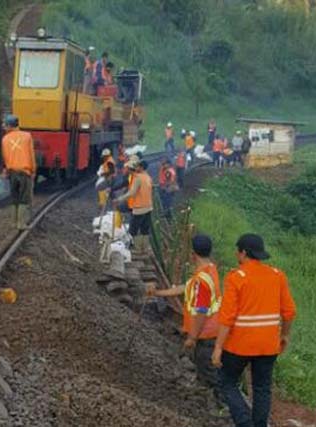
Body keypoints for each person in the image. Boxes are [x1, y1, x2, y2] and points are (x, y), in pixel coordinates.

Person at [212, 234, 297, 427]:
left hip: (238, 345)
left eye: (237, 250)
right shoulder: (277, 275)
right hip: (268, 345)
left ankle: (244, 422)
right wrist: (284, 335)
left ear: (243, 253)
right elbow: (289, 312)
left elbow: (227, 317)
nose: (236, 253)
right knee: (262, 387)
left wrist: (218, 347)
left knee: (227, 381)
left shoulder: (236, 277)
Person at [147, 234, 221, 393]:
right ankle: (205, 397)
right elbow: (184, 288)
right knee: (203, 370)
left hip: (205, 335)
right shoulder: (209, 270)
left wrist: (192, 337)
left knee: (210, 374)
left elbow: (201, 311)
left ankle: (221, 408)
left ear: (193, 254)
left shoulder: (201, 281)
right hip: (209, 332)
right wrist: (158, 293)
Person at [1, 114, 36, 230]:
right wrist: (33, 170)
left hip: (12, 172)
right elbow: (31, 155)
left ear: (10, 126)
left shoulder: (5, 139)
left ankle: (13, 223)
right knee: (24, 198)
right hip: (24, 172)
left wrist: (6, 171)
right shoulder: (27, 136)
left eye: (5, 125)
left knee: (14, 197)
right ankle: (21, 224)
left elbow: (5, 157)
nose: (4, 127)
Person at [114, 159, 153, 253]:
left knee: (133, 230)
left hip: (139, 208)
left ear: (141, 167)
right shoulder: (148, 177)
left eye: (138, 166)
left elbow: (132, 192)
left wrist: (119, 199)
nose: (137, 168)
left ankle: (133, 248)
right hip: (148, 207)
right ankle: (145, 248)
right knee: (145, 229)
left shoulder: (138, 178)